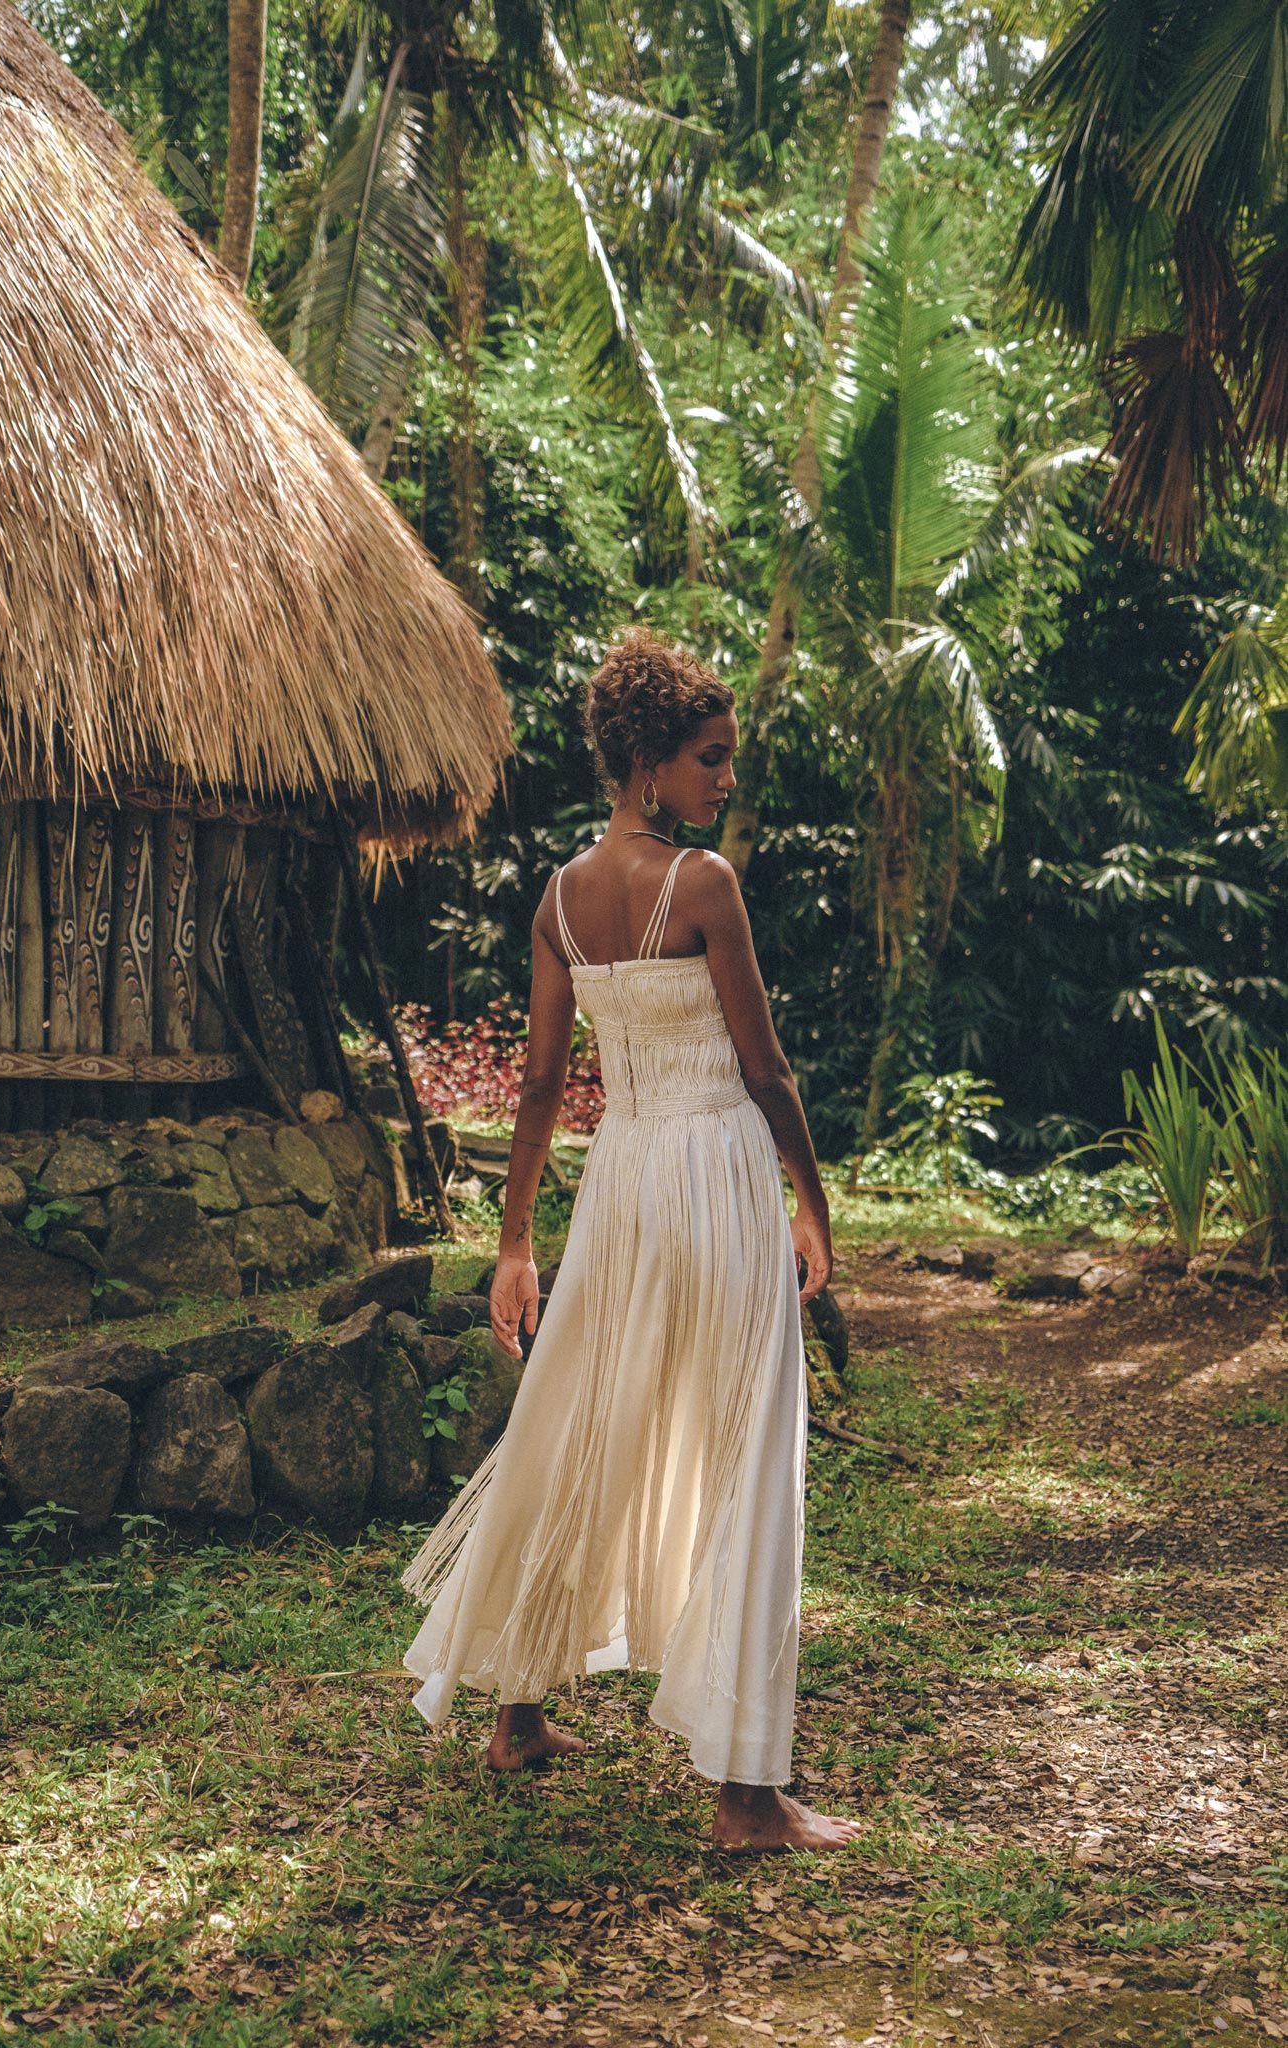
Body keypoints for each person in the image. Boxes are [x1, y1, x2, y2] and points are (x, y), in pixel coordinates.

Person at [403, 629, 861, 1853]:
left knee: (580, 1422)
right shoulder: (704, 882)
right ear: (651, 760)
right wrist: (812, 1203)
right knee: (747, 1446)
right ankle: (746, 1794)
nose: (724, 782)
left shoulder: (557, 896)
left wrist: (516, 1244)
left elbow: (545, 1083)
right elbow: (764, 1069)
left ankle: (518, 1713)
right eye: (711, 759)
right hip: (713, 1169)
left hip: (622, 1183)